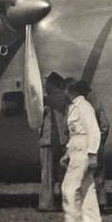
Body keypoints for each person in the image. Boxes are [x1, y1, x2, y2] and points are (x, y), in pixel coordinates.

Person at [60, 80, 102, 222]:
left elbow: (94, 131)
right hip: (76, 149)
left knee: (69, 187)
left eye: (64, 89)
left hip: (83, 150)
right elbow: (74, 134)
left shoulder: (84, 107)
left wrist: (92, 155)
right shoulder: (73, 107)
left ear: (70, 90)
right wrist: (67, 153)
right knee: (87, 188)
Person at [37, 74, 68, 212]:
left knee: (47, 174)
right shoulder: (65, 100)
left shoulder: (45, 100)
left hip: (47, 140)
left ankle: (46, 203)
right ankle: (66, 201)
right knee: (64, 173)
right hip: (63, 140)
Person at [88, 90, 111, 209]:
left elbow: (105, 125)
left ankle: (96, 203)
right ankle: (101, 202)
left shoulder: (81, 106)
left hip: (88, 143)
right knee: (99, 173)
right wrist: (101, 139)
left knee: (91, 174)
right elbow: (105, 125)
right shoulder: (96, 104)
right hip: (96, 142)